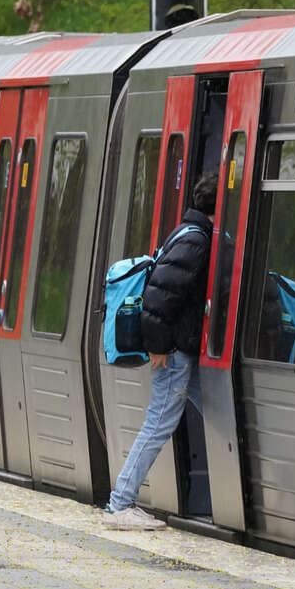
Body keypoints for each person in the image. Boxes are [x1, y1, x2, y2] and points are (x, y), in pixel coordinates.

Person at [103, 173, 217, 529]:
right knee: (159, 422)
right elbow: (158, 297)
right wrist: (159, 347)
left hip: (179, 348)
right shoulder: (196, 241)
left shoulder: (187, 232)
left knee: (220, 408)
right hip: (174, 351)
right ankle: (120, 503)